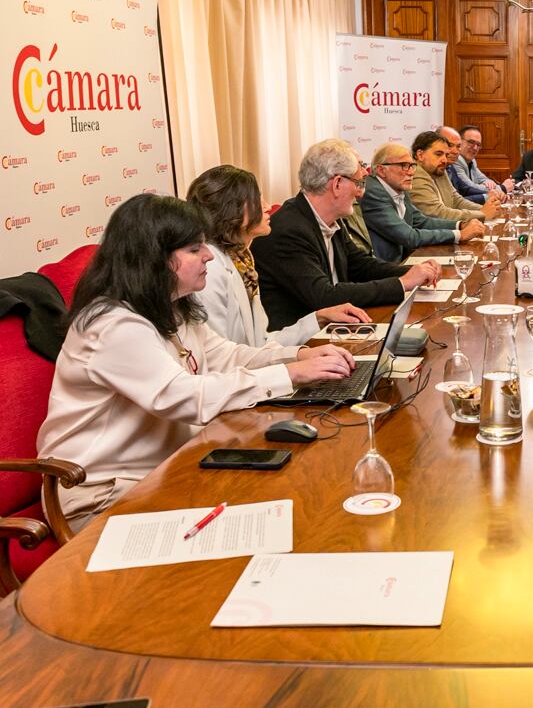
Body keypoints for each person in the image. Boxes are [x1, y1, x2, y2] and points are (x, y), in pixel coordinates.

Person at [36, 194, 356, 530]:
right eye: (193, 249)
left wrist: (299, 356)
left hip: (163, 469)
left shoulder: (170, 306)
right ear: (153, 259)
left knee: (285, 496)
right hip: (97, 493)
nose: (208, 256)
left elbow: (229, 355)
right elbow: (186, 398)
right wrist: (289, 374)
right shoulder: (112, 325)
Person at [253, 138, 441, 330]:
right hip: (299, 343)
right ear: (336, 184)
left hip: (333, 329)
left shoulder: (329, 218)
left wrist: (414, 272)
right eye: (358, 182)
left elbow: (360, 265)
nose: (361, 193)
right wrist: (402, 283)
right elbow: (324, 296)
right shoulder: (289, 230)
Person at [186, 165, 370, 347]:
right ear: (232, 209)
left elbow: (261, 343)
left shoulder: (241, 261)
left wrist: (317, 319)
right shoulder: (210, 270)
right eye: (257, 199)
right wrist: (299, 363)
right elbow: (226, 359)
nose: (267, 207)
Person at [361, 142, 485, 263]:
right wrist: (459, 235)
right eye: (404, 165)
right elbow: (409, 236)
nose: (411, 172)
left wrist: (460, 225)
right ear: (381, 170)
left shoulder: (397, 186)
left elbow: (422, 221)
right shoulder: (372, 192)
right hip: (385, 269)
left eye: (411, 165)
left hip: (405, 260)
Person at [408, 130, 500, 223]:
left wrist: (488, 209)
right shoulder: (414, 176)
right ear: (420, 155)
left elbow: (457, 201)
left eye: (446, 155)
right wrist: (482, 213)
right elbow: (438, 213)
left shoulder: (439, 170)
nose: (444, 160)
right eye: (438, 154)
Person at [451, 125, 511, 203]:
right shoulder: (455, 160)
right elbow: (469, 187)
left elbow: (483, 179)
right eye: (471, 142)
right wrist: (502, 188)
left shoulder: (472, 161)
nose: (475, 148)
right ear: (460, 142)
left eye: (478, 145)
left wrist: (489, 183)